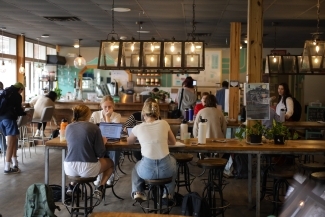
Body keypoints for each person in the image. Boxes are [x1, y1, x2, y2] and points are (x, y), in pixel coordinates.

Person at [128, 100, 177, 201]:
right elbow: (173, 142)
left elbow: (129, 142)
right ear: (157, 113)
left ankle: (138, 192)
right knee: (174, 163)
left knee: (136, 167)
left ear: (144, 114)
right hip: (166, 171)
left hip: (147, 171)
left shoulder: (138, 127)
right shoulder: (164, 123)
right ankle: (167, 193)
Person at [64, 104, 114, 199]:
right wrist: (103, 142)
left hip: (69, 167)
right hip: (88, 168)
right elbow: (101, 153)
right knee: (110, 163)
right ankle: (100, 187)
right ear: (87, 115)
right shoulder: (94, 127)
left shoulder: (68, 127)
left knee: (78, 162)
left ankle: (72, 186)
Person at [90, 95, 121, 185]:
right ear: (101, 106)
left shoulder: (117, 116)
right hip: (97, 141)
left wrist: (107, 117)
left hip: (112, 141)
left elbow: (110, 132)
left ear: (113, 106)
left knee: (115, 151)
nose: (107, 109)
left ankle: (110, 174)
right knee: (96, 149)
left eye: (109, 106)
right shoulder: (95, 114)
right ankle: (98, 174)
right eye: (105, 107)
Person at [0, 82, 26, 174]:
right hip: (9, 120)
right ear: (20, 89)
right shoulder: (17, 96)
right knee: (10, 144)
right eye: (22, 90)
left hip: (1, 120)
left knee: (13, 140)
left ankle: (15, 163)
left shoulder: (6, 92)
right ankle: (7, 168)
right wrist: (24, 112)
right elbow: (19, 111)